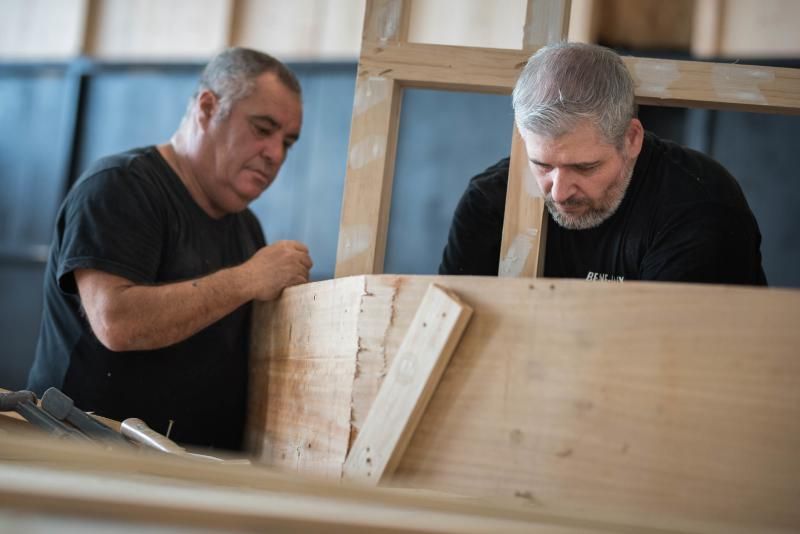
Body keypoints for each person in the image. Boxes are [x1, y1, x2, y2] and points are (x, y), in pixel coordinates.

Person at [27, 47, 313, 451]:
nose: (275, 154)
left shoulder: (247, 230)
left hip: (187, 477)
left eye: (288, 142)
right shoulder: (120, 187)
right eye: (262, 129)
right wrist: (248, 278)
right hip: (84, 466)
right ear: (208, 108)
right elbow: (117, 322)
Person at [439, 42, 766, 285]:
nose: (560, 192)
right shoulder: (489, 203)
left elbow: (675, 358)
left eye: (584, 168)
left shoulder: (699, 204)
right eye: (541, 165)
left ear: (632, 139)